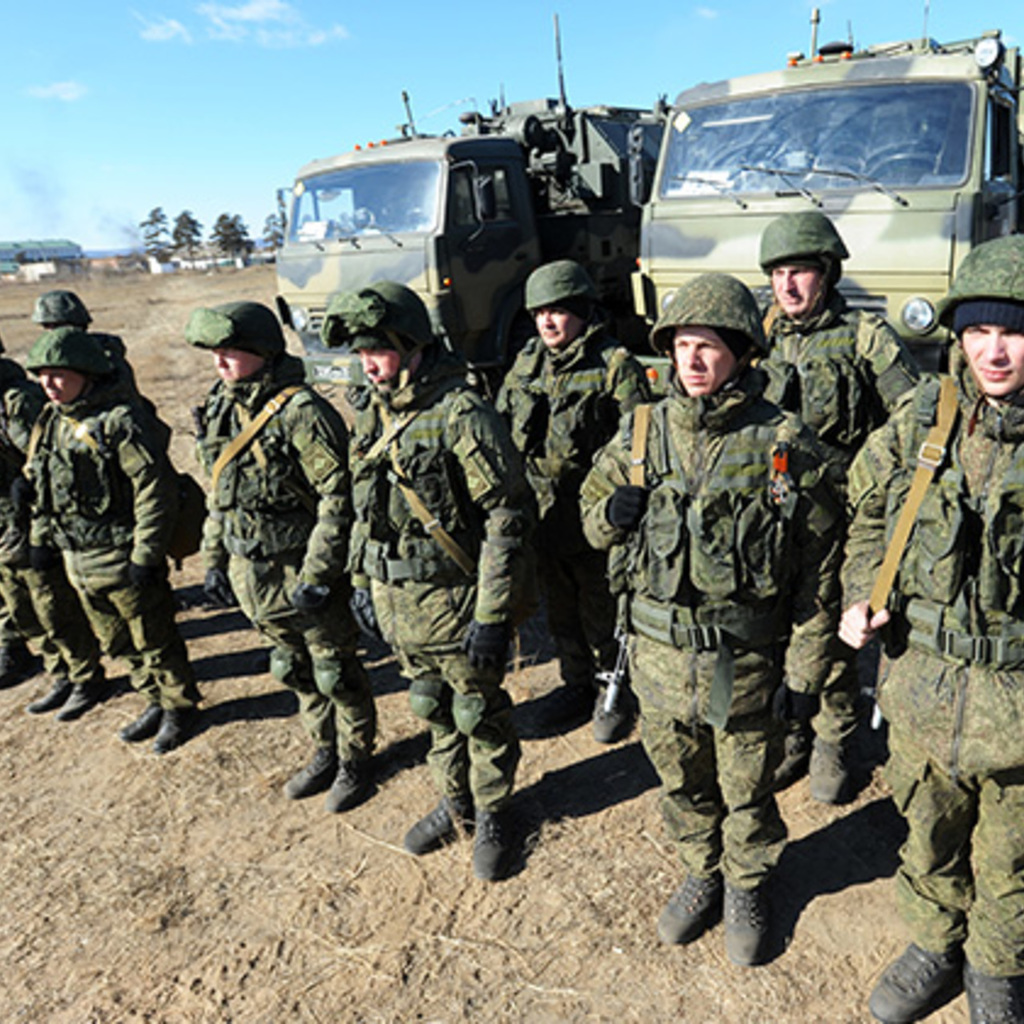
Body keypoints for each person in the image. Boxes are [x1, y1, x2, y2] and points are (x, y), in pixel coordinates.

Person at [579, 273, 842, 966]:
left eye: (708, 348)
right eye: (682, 346)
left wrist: (807, 668)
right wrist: (610, 514)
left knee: (746, 786)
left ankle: (749, 881)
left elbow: (821, 562)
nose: (692, 362)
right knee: (681, 781)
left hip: (740, 662)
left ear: (742, 354)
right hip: (661, 662)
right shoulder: (641, 432)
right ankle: (704, 869)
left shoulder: (782, 444)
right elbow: (590, 516)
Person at [840, 234, 1024, 1024]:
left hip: (1018, 709)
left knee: (1013, 858)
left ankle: (996, 970)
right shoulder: (927, 418)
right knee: (928, 834)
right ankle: (933, 942)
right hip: (923, 687)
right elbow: (868, 515)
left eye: (1012, 330)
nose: (994, 350)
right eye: (978, 331)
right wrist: (859, 593)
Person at [321, 281, 534, 881]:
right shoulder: (371, 412)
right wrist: (363, 581)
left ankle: (494, 810)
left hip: (458, 605)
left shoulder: (460, 413)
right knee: (430, 708)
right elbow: (360, 504)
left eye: (377, 350)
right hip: (401, 607)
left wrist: (493, 615)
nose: (367, 364)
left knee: (477, 713)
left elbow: (507, 516)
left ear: (411, 346)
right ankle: (455, 800)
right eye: (360, 352)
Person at [186, 301, 377, 813]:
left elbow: (339, 498)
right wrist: (214, 558)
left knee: (335, 671)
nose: (220, 363)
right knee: (292, 668)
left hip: (304, 571)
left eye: (230, 353)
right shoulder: (223, 405)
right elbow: (219, 490)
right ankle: (325, 747)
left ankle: (357, 758)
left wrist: (318, 574)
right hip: (255, 575)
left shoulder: (301, 412)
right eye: (215, 354)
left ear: (262, 352)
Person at [758, 210, 920, 803]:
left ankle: (833, 737)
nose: (788, 286)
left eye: (799, 271)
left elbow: (913, 414)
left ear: (826, 273)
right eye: (778, 273)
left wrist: (867, 473)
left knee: (829, 628)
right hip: (776, 515)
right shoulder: (760, 337)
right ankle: (792, 730)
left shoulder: (864, 337)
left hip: (845, 514)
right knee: (780, 625)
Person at [495, 260, 651, 742]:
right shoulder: (526, 363)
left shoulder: (614, 365)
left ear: (583, 311)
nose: (547, 321)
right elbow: (502, 425)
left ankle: (615, 689)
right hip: (543, 513)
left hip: (593, 513)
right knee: (559, 606)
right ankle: (575, 683)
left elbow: (639, 440)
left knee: (601, 605)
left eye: (558, 311)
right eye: (540, 312)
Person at [23, 326, 199, 753]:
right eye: (42, 375)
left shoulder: (120, 422)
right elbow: (46, 489)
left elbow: (153, 490)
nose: (48, 384)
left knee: (154, 640)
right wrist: (42, 538)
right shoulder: (51, 421)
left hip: (120, 556)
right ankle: (153, 699)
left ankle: (179, 707)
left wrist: (146, 554)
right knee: (117, 642)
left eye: (59, 374)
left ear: (87, 373)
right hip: (77, 558)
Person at [0, 332, 106, 718]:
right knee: (18, 605)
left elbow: (44, 460)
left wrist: (24, 488)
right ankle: (59, 671)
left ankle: (84, 675)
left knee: (50, 602)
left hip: (26, 516)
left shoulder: (18, 400)